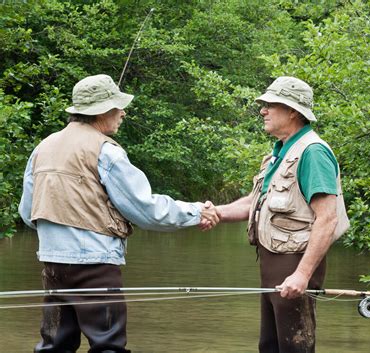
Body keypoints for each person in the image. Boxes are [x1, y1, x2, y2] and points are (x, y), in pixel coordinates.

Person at [18, 74, 220, 353]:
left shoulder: (43, 147)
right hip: (96, 267)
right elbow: (146, 211)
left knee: (55, 346)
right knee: (108, 347)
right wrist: (197, 211)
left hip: (52, 265)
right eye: (118, 106)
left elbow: (28, 214)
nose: (123, 112)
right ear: (101, 111)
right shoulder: (105, 151)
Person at [207, 76, 349, 353]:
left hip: (295, 266)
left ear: (293, 111)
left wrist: (302, 274)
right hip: (273, 268)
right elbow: (254, 202)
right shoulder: (281, 152)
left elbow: (328, 219)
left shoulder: (313, 152)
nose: (263, 111)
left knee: (295, 348)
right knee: (270, 346)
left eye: (270, 105)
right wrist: (215, 213)